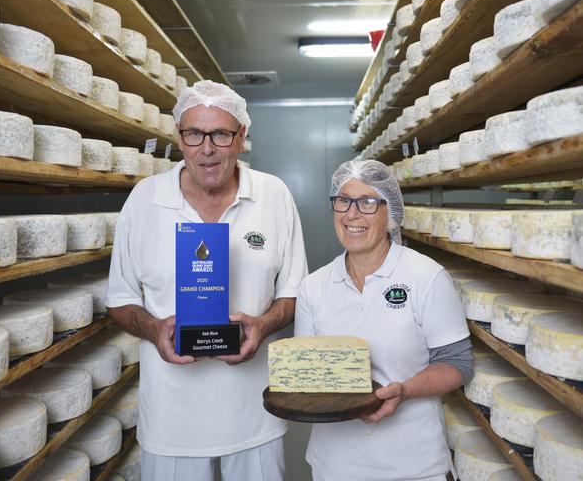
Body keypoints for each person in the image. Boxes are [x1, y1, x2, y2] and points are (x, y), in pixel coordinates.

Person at [106, 80, 308, 481]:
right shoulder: (144, 200)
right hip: (171, 417)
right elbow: (120, 299)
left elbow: (294, 294)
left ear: (242, 137)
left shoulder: (274, 195)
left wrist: (263, 324)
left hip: (254, 412)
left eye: (220, 133)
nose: (207, 148)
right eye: (194, 133)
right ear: (180, 137)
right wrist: (154, 328)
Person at [295, 160, 473, 481]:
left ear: (389, 213)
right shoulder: (313, 287)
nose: (352, 214)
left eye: (367, 203)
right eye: (343, 201)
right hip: (334, 464)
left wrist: (404, 390)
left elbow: (458, 364)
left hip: (412, 465)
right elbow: (310, 373)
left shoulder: (425, 277)